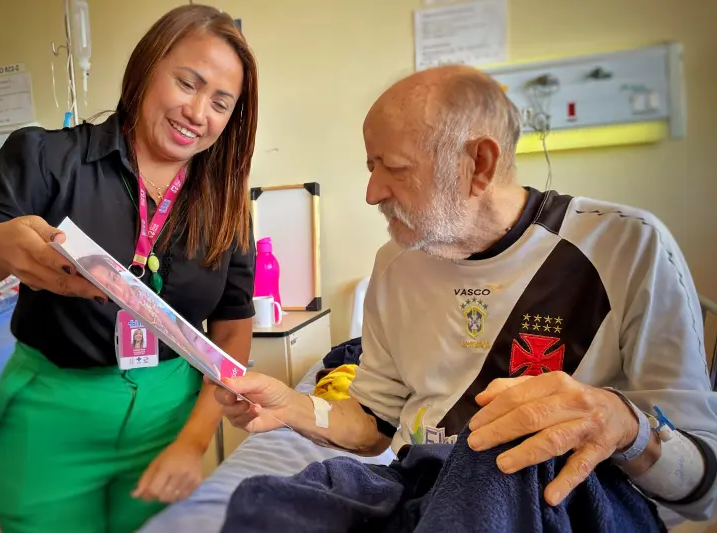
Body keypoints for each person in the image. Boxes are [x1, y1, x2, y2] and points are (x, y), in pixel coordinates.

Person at [215, 65, 717, 526]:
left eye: (393, 167)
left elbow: (704, 487)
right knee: (268, 506)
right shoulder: (394, 265)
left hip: (558, 497)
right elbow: (374, 423)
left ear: (479, 163)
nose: (371, 192)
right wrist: (291, 407)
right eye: (371, 166)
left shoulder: (626, 246)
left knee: (502, 449)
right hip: (424, 486)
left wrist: (625, 426)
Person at [0, 5, 257, 533]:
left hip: (167, 422)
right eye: (187, 83)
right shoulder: (46, 158)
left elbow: (233, 328)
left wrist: (192, 442)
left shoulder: (226, 203)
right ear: (148, 68)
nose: (198, 112)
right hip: (52, 422)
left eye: (221, 103)